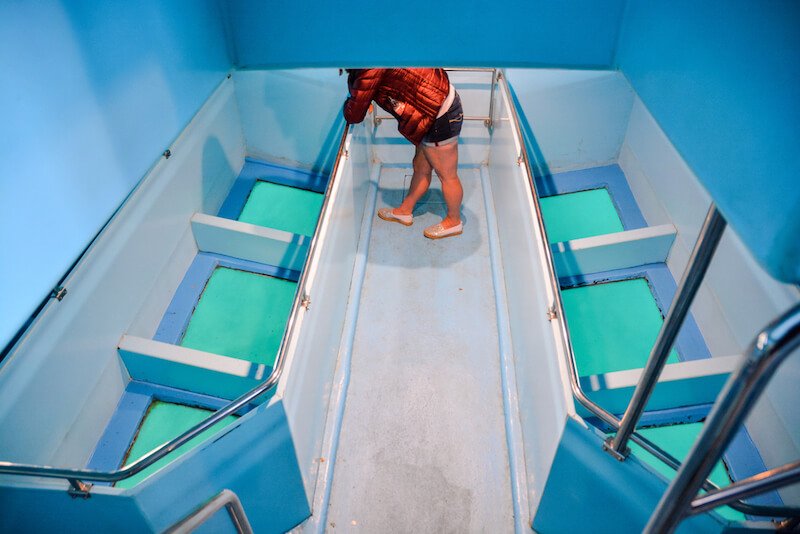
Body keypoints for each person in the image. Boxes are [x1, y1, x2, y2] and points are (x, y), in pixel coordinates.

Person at [343, 68, 464, 239]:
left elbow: (354, 115)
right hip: (431, 106)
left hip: (440, 112)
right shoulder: (372, 53)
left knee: (447, 176)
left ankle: (454, 222)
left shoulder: (368, 68)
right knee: (420, 166)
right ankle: (404, 211)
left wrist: (354, 100)